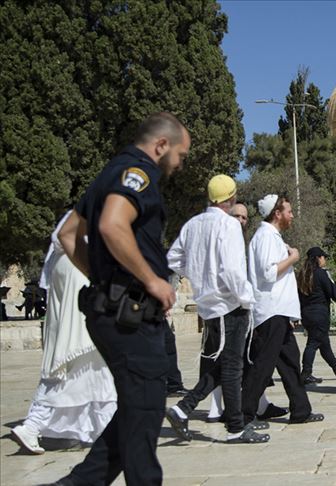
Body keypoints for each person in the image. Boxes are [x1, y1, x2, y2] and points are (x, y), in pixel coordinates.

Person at [53, 112, 190, 485]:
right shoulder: (138, 173)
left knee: (136, 411)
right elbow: (112, 225)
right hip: (130, 316)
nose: (179, 164)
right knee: (144, 414)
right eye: (180, 155)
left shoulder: (108, 174)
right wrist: (150, 280)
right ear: (161, 145)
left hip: (112, 308)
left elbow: (67, 235)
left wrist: (104, 278)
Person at [164, 175, 266, 444]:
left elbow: (173, 259)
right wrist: (247, 299)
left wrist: (199, 276)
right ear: (231, 198)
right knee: (232, 368)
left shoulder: (192, 224)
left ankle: (183, 408)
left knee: (223, 365)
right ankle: (235, 428)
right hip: (229, 304)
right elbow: (232, 270)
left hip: (208, 305)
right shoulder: (229, 225)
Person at [12, 212, 117, 455]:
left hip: (68, 270)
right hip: (82, 272)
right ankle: (34, 424)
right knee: (82, 355)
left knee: (88, 362)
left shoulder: (83, 209)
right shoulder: (111, 203)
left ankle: (105, 430)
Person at [244, 194, 324, 425]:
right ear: (277, 214)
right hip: (270, 311)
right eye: (289, 211)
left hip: (279, 311)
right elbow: (268, 273)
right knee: (263, 365)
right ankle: (243, 414)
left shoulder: (272, 237)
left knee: (290, 362)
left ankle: (301, 410)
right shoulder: (266, 237)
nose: (292, 215)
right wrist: (293, 257)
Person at [206, 201, 285, 424]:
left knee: (246, 359)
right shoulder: (222, 237)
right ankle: (218, 409)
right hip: (225, 307)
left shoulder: (240, 240)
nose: (241, 221)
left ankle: (259, 404)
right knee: (223, 360)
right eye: (237, 216)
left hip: (240, 309)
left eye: (244, 217)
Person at [299, 246, 336, 384]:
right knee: (313, 343)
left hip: (306, 314)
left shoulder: (303, 275)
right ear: (318, 258)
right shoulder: (320, 273)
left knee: (324, 344)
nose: (325, 260)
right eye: (323, 257)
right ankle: (306, 373)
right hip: (319, 314)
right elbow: (333, 291)